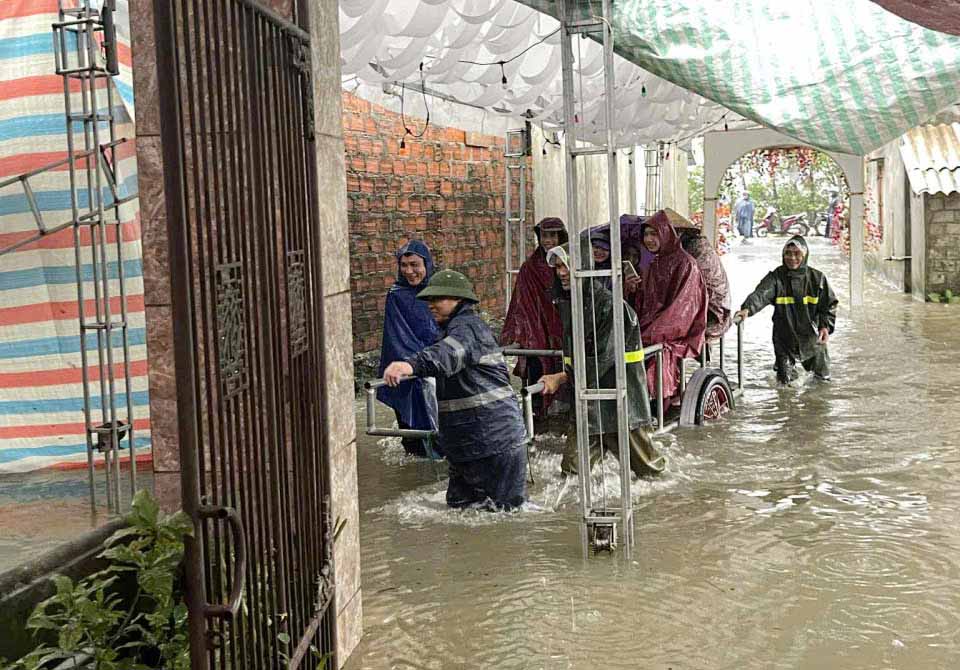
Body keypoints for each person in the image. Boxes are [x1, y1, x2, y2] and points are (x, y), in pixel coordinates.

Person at [383, 270, 528, 510]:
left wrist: (409, 365)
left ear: (459, 300)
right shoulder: (456, 328)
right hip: (470, 444)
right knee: (463, 512)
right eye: (429, 300)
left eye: (438, 299)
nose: (431, 305)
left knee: (502, 516)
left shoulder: (467, 328)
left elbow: (447, 355)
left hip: (494, 443)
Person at [537, 244, 665, 479]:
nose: (562, 272)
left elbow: (601, 359)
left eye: (567, 266)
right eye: (557, 267)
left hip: (618, 400)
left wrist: (561, 377)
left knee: (649, 472)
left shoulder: (608, 307)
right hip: (589, 401)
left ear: (584, 268)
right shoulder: (570, 304)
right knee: (572, 474)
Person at [735, 235, 838, 384]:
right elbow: (761, 294)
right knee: (784, 384)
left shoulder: (817, 278)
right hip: (784, 338)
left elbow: (829, 305)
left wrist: (825, 327)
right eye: (788, 253)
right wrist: (747, 309)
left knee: (822, 382)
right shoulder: (776, 277)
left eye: (797, 254)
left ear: (805, 255)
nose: (792, 258)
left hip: (812, 338)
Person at [632, 210, 708, 410]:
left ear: (666, 234)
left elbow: (683, 309)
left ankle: (659, 405)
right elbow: (645, 302)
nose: (649, 239)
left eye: (654, 234)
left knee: (653, 348)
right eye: (646, 234)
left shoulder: (686, 264)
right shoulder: (654, 264)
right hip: (653, 325)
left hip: (677, 330)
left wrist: (652, 332)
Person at [500, 217, 568, 426]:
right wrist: (521, 332)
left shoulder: (567, 263)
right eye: (544, 235)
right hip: (536, 329)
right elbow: (521, 301)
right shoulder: (529, 267)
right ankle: (537, 419)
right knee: (537, 367)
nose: (548, 240)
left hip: (562, 325)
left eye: (552, 235)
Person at [376, 240, 440, 457]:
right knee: (413, 438)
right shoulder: (396, 295)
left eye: (415, 265)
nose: (410, 271)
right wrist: (414, 365)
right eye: (404, 265)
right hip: (406, 369)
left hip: (437, 368)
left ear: (427, 264)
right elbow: (396, 335)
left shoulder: (438, 291)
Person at [668, 209, 733, 341]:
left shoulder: (692, 251)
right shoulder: (695, 246)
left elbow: (685, 290)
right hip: (715, 310)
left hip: (711, 314)